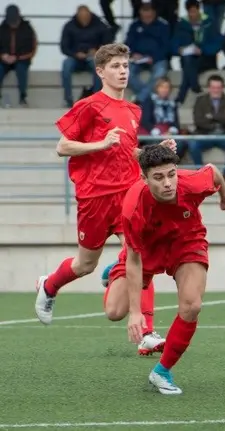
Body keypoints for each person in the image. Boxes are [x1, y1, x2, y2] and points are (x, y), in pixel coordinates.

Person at [34, 43, 175, 357]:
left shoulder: (133, 111)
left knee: (142, 253)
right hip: (95, 197)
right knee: (85, 264)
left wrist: (158, 151)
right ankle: (50, 285)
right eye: (115, 66)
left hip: (128, 193)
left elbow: (128, 152)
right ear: (100, 71)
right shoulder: (89, 106)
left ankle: (147, 332)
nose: (122, 71)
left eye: (125, 66)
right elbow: (62, 147)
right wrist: (99, 144)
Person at [105, 144, 225, 395]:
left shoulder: (192, 183)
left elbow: (213, 171)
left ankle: (162, 371)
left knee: (192, 305)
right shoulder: (133, 206)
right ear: (144, 178)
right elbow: (134, 259)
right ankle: (114, 271)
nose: (168, 183)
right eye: (158, 177)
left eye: (171, 174)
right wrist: (135, 312)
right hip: (145, 250)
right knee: (114, 311)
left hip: (186, 242)